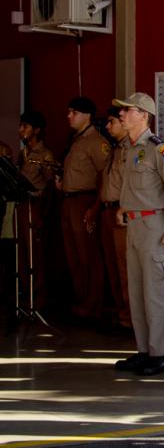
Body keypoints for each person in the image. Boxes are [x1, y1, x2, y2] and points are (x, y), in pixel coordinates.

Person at [112, 92, 164, 376]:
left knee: (155, 292)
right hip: (133, 225)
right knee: (137, 290)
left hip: (155, 226)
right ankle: (144, 349)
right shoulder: (128, 148)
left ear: (143, 115)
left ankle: (160, 353)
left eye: (127, 110)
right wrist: (123, 208)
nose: (121, 115)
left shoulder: (159, 149)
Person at [59, 97, 109, 320]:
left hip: (85, 202)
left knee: (88, 256)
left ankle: (92, 306)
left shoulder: (96, 142)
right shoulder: (75, 141)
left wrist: (95, 208)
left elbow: (104, 177)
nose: (69, 116)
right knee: (73, 256)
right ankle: (81, 302)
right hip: (68, 201)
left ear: (86, 115)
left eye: (74, 112)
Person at [16, 111, 56, 310]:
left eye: (25, 126)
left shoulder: (44, 155)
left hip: (35, 207)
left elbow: (50, 186)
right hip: (21, 206)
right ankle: (25, 295)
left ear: (37, 130)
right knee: (21, 253)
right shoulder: (22, 154)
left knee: (36, 255)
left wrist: (44, 214)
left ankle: (39, 298)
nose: (21, 130)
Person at [99, 108, 131, 330]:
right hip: (107, 211)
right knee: (112, 267)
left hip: (123, 213)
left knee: (125, 269)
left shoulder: (132, 150)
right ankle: (121, 314)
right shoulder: (114, 149)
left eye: (113, 122)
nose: (109, 127)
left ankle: (130, 319)